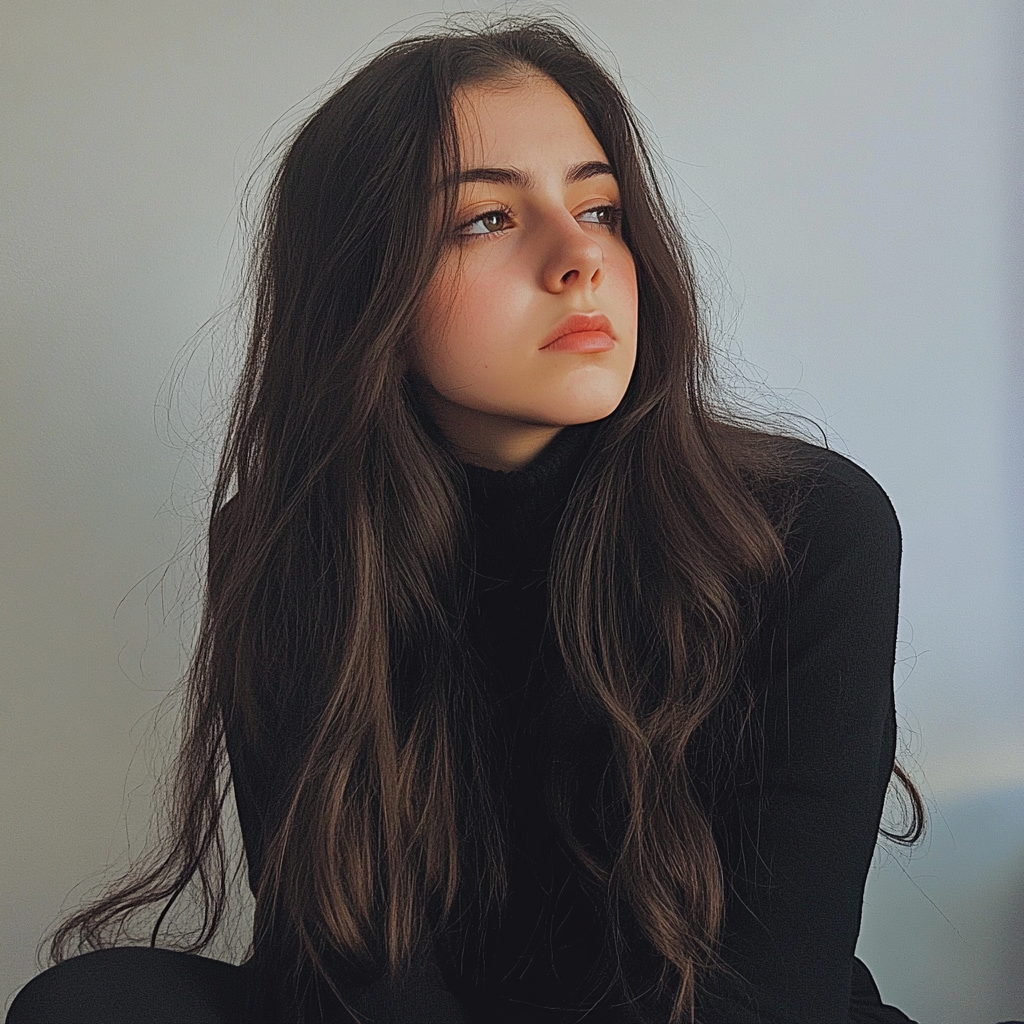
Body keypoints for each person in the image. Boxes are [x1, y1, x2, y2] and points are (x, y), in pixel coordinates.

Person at [15, 15, 992, 1024]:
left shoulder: (804, 531)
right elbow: (349, 963)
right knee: (91, 1004)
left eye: (601, 206)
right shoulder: (290, 542)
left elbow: (765, 992)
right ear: (365, 288)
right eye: (486, 218)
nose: (579, 257)